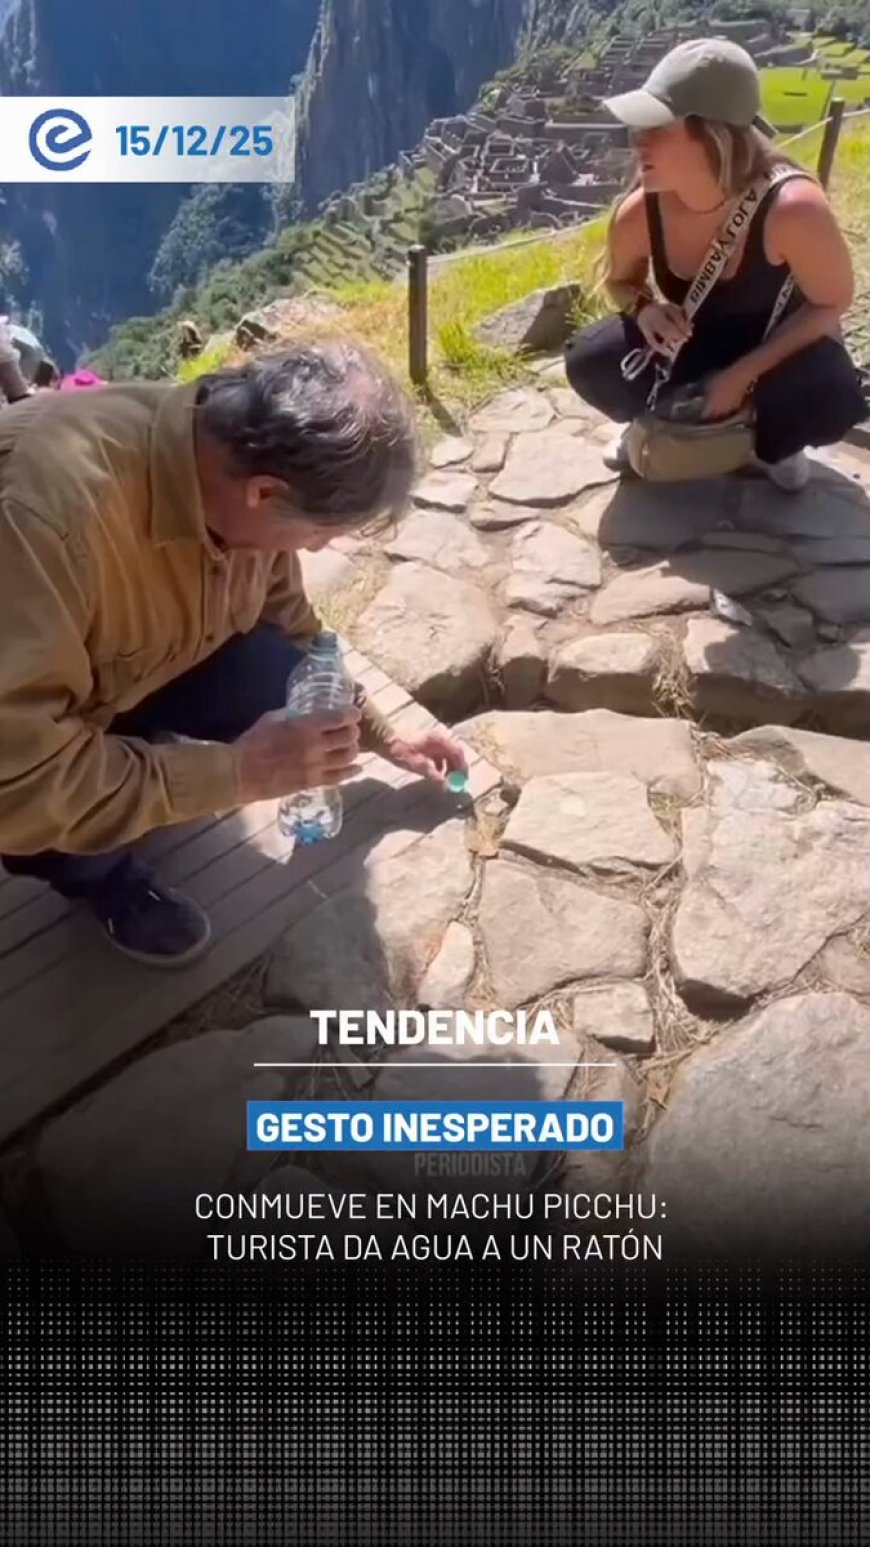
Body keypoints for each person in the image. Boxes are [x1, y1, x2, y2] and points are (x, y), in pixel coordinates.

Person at [0, 343, 468, 967]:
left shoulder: (232, 467)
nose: (320, 549)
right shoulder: (39, 519)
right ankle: (110, 884)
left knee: (286, 678)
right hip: (25, 740)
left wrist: (383, 734)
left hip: (129, 668)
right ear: (265, 492)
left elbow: (297, 630)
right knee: (56, 820)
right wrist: (239, 774)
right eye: (322, 533)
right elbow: (22, 782)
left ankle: (139, 750)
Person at [564, 38, 868, 491]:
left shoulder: (793, 209)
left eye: (656, 127)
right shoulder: (640, 211)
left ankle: (775, 442)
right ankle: (648, 423)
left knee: (832, 391)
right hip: (693, 340)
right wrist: (645, 310)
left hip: (776, 349)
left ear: (713, 136)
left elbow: (831, 303)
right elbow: (620, 282)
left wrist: (741, 376)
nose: (637, 141)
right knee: (592, 358)